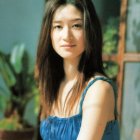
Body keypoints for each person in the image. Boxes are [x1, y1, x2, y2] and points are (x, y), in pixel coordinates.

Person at [35, 0, 120, 139]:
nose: (66, 36)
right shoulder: (52, 85)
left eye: (76, 25)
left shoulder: (99, 89)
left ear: (89, 30)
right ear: (48, 33)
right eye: (58, 26)